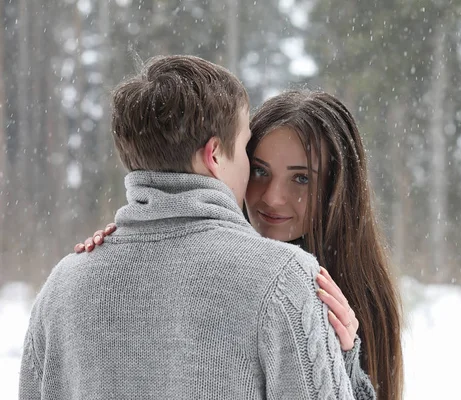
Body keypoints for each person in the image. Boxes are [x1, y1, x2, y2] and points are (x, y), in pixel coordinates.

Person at [19, 55, 368, 400]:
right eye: (248, 151)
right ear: (214, 154)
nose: (271, 196)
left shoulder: (62, 286)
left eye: (302, 178)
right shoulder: (286, 280)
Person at [79, 90, 404, 399]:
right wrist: (133, 245)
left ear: (337, 188)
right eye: (260, 171)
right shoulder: (211, 267)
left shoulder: (361, 296)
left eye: (301, 178)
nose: (272, 198)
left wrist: (341, 365)